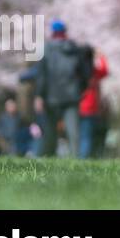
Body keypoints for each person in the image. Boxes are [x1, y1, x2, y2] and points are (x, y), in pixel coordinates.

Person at [34, 19, 93, 158]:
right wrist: (81, 89)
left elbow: (42, 75)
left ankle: (47, 157)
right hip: (72, 96)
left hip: (51, 96)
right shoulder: (74, 49)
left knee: (50, 131)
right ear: (65, 32)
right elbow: (85, 73)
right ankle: (75, 159)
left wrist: (38, 96)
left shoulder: (45, 49)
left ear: (53, 33)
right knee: (73, 131)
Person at [78, 51, 109, 158]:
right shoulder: (94, 72)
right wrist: (101, 56)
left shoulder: (77, 71)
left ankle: (82, 157)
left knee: (81, 135)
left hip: (76, 107)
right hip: (90, 108)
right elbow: (105, 70)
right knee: (87, 136)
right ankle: (84, 159)